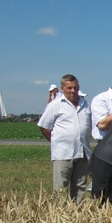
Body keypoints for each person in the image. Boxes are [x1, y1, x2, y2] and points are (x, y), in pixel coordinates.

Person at [37, 74, 91, 202]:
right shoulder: (56, 105)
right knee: (61, 187)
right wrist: (56, 141)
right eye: (69, 88)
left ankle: (77, 212)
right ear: (62, 88)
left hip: (82, 152)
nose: (73, 91)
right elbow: (44, 127)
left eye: (75, 88)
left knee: (80, 186)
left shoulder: (86, 104)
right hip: (63, 153)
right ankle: (60, 215)